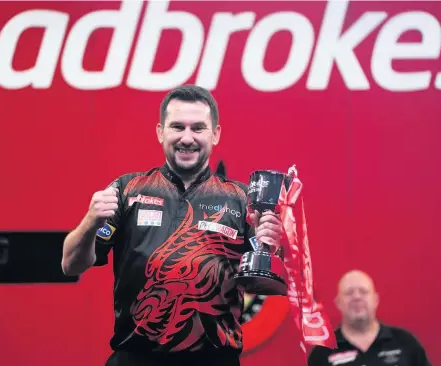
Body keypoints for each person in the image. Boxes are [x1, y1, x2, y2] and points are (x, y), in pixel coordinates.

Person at [61, 85, 284, 366]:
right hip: (136, 358)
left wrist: (271, 247)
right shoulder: (127, 190)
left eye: (198, 128)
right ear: (160, 132)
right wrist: (90, 222)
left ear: (215, 134)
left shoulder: (241, 200)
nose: (187, 138)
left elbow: (268, 286)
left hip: (215, 359)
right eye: (177, 126)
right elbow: (71, 264)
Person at [307, 270, 431, 366]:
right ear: (338, 302)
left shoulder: (405, 342)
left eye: (363, 291)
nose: (357, 297)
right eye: (349, 292)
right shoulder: (322, 353)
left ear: (375, 299)